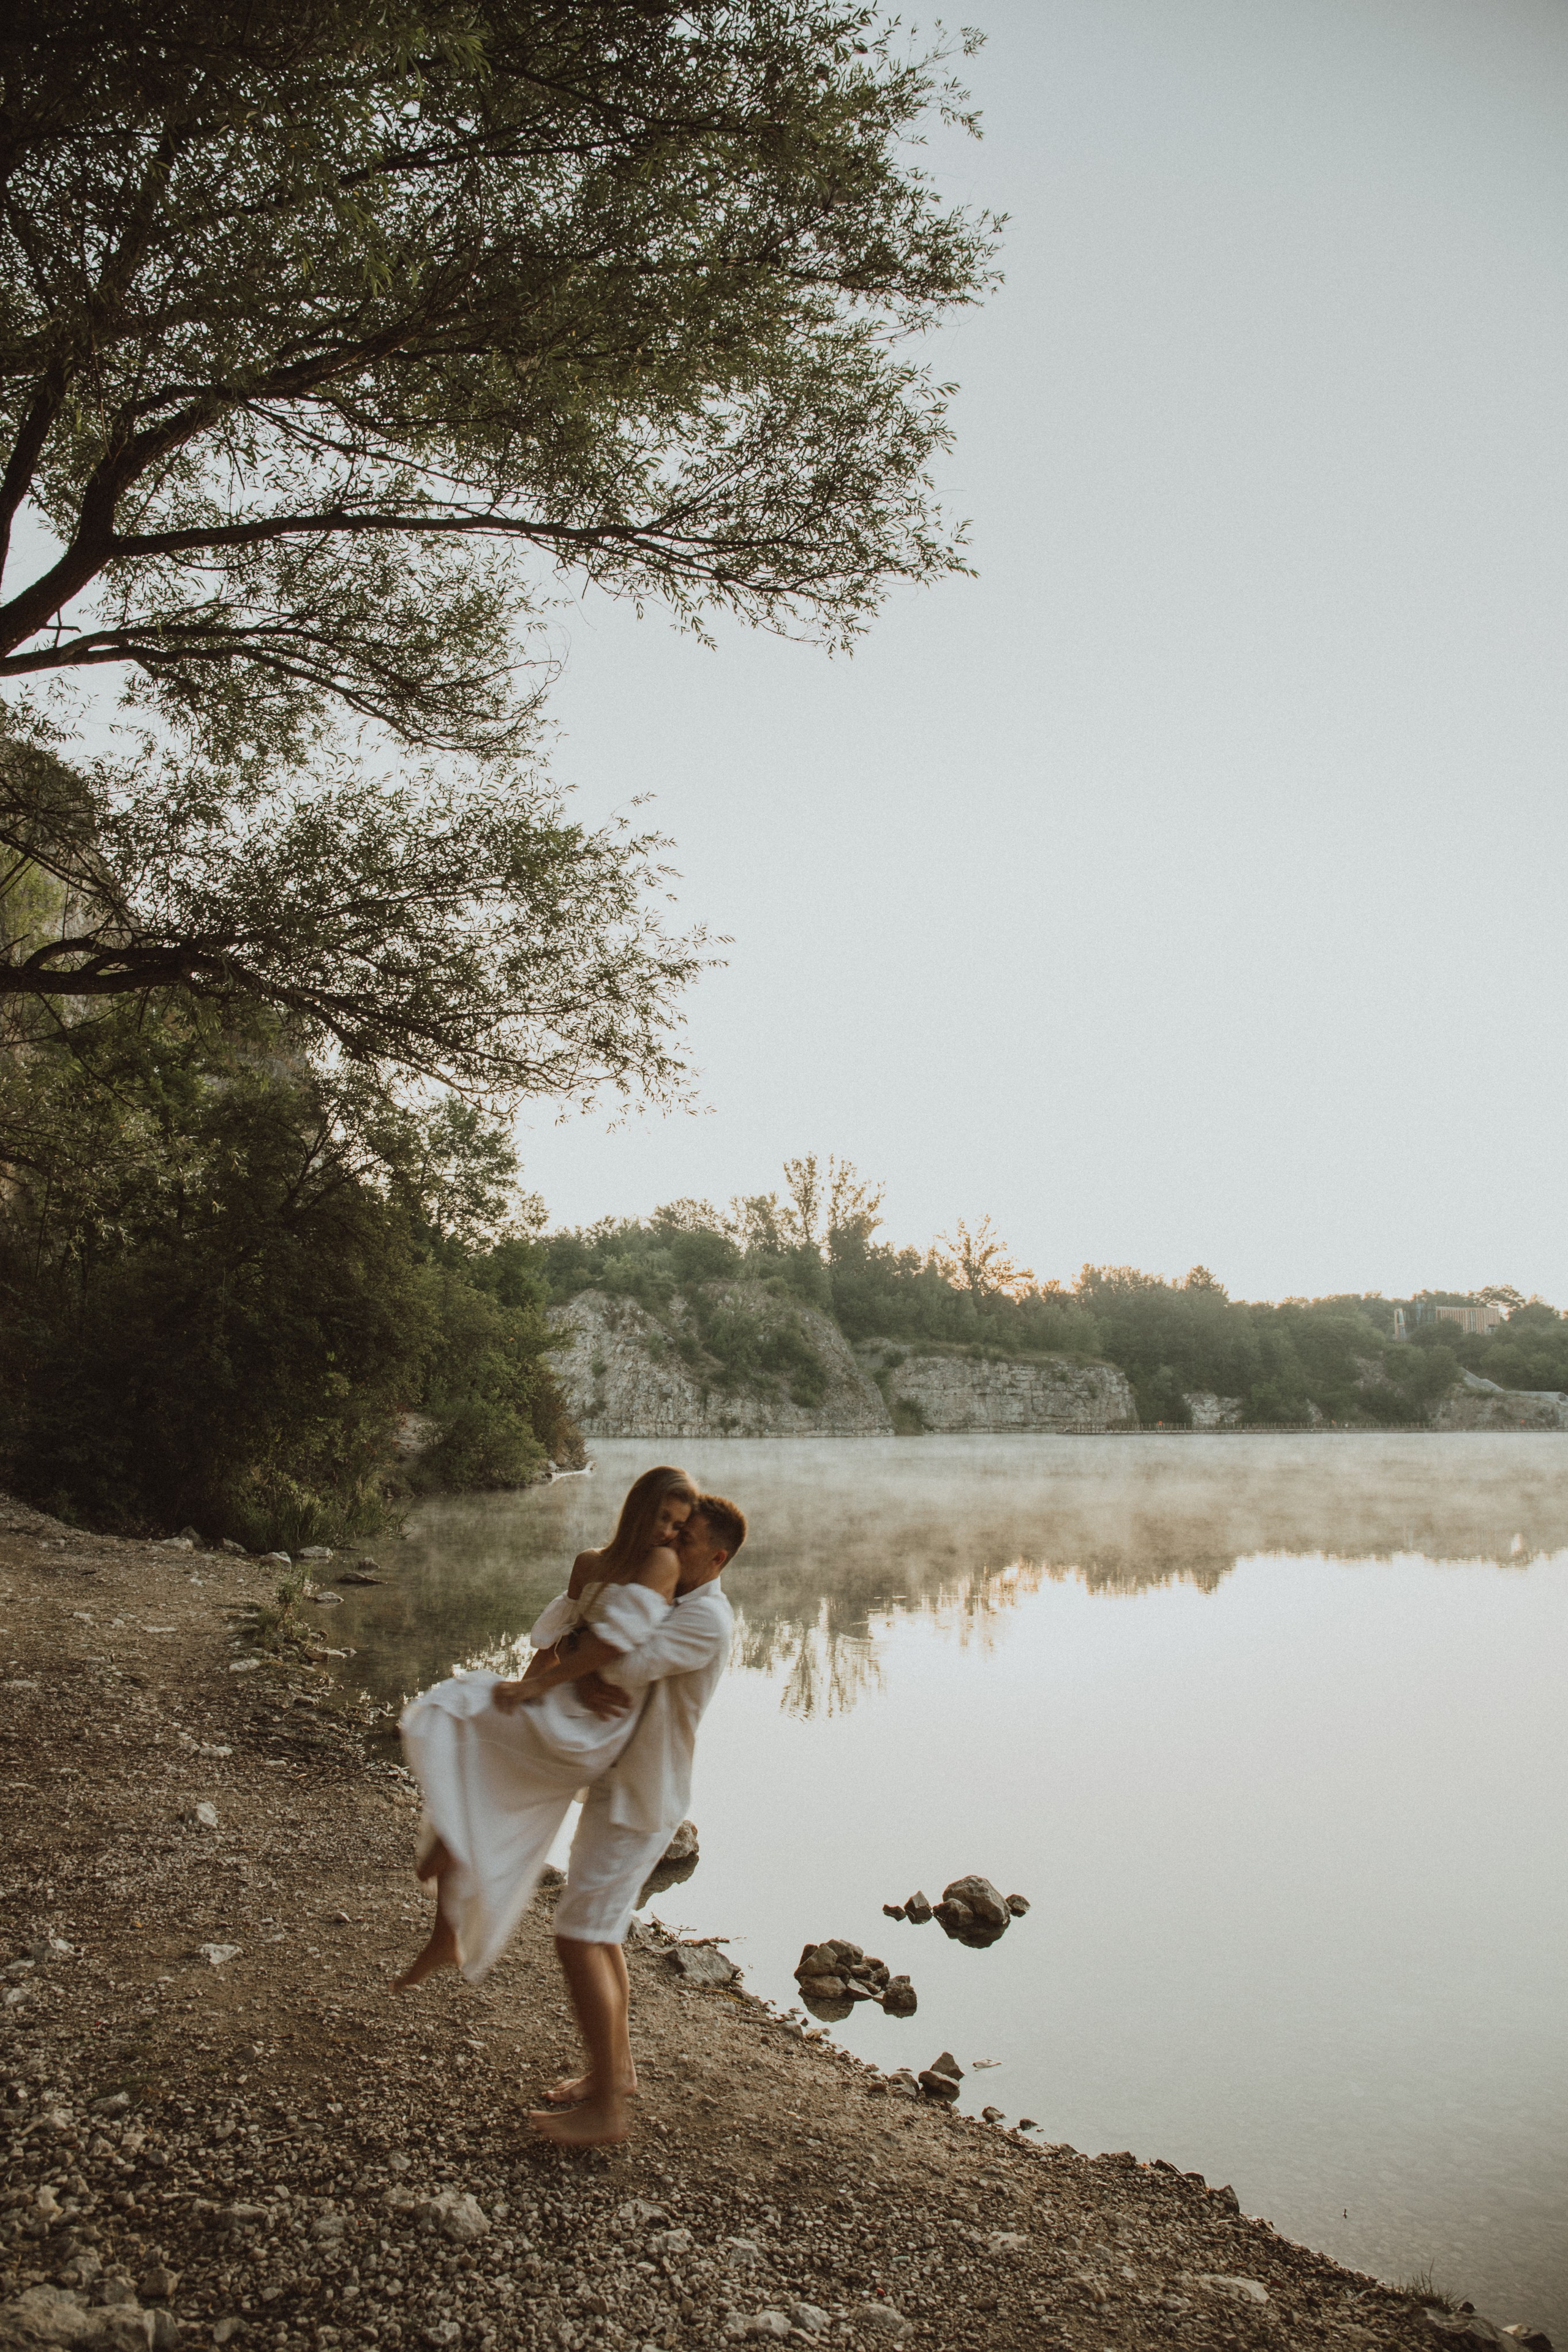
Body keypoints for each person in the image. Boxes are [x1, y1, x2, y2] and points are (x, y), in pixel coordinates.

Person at [396, 1472, 748, 2149]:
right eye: (671, 1529)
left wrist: (569, 1668)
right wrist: (570, 1660)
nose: (673, 1543)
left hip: (642, 1799)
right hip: (619, 1784)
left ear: (717, 1558)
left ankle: (607, 2112)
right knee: (601, 1932)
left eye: (686, 1538)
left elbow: (620, 1667)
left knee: (579, 1935)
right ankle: (615, 2074)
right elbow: (599, 1646)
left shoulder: (706, 1617)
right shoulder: (673, 1593)